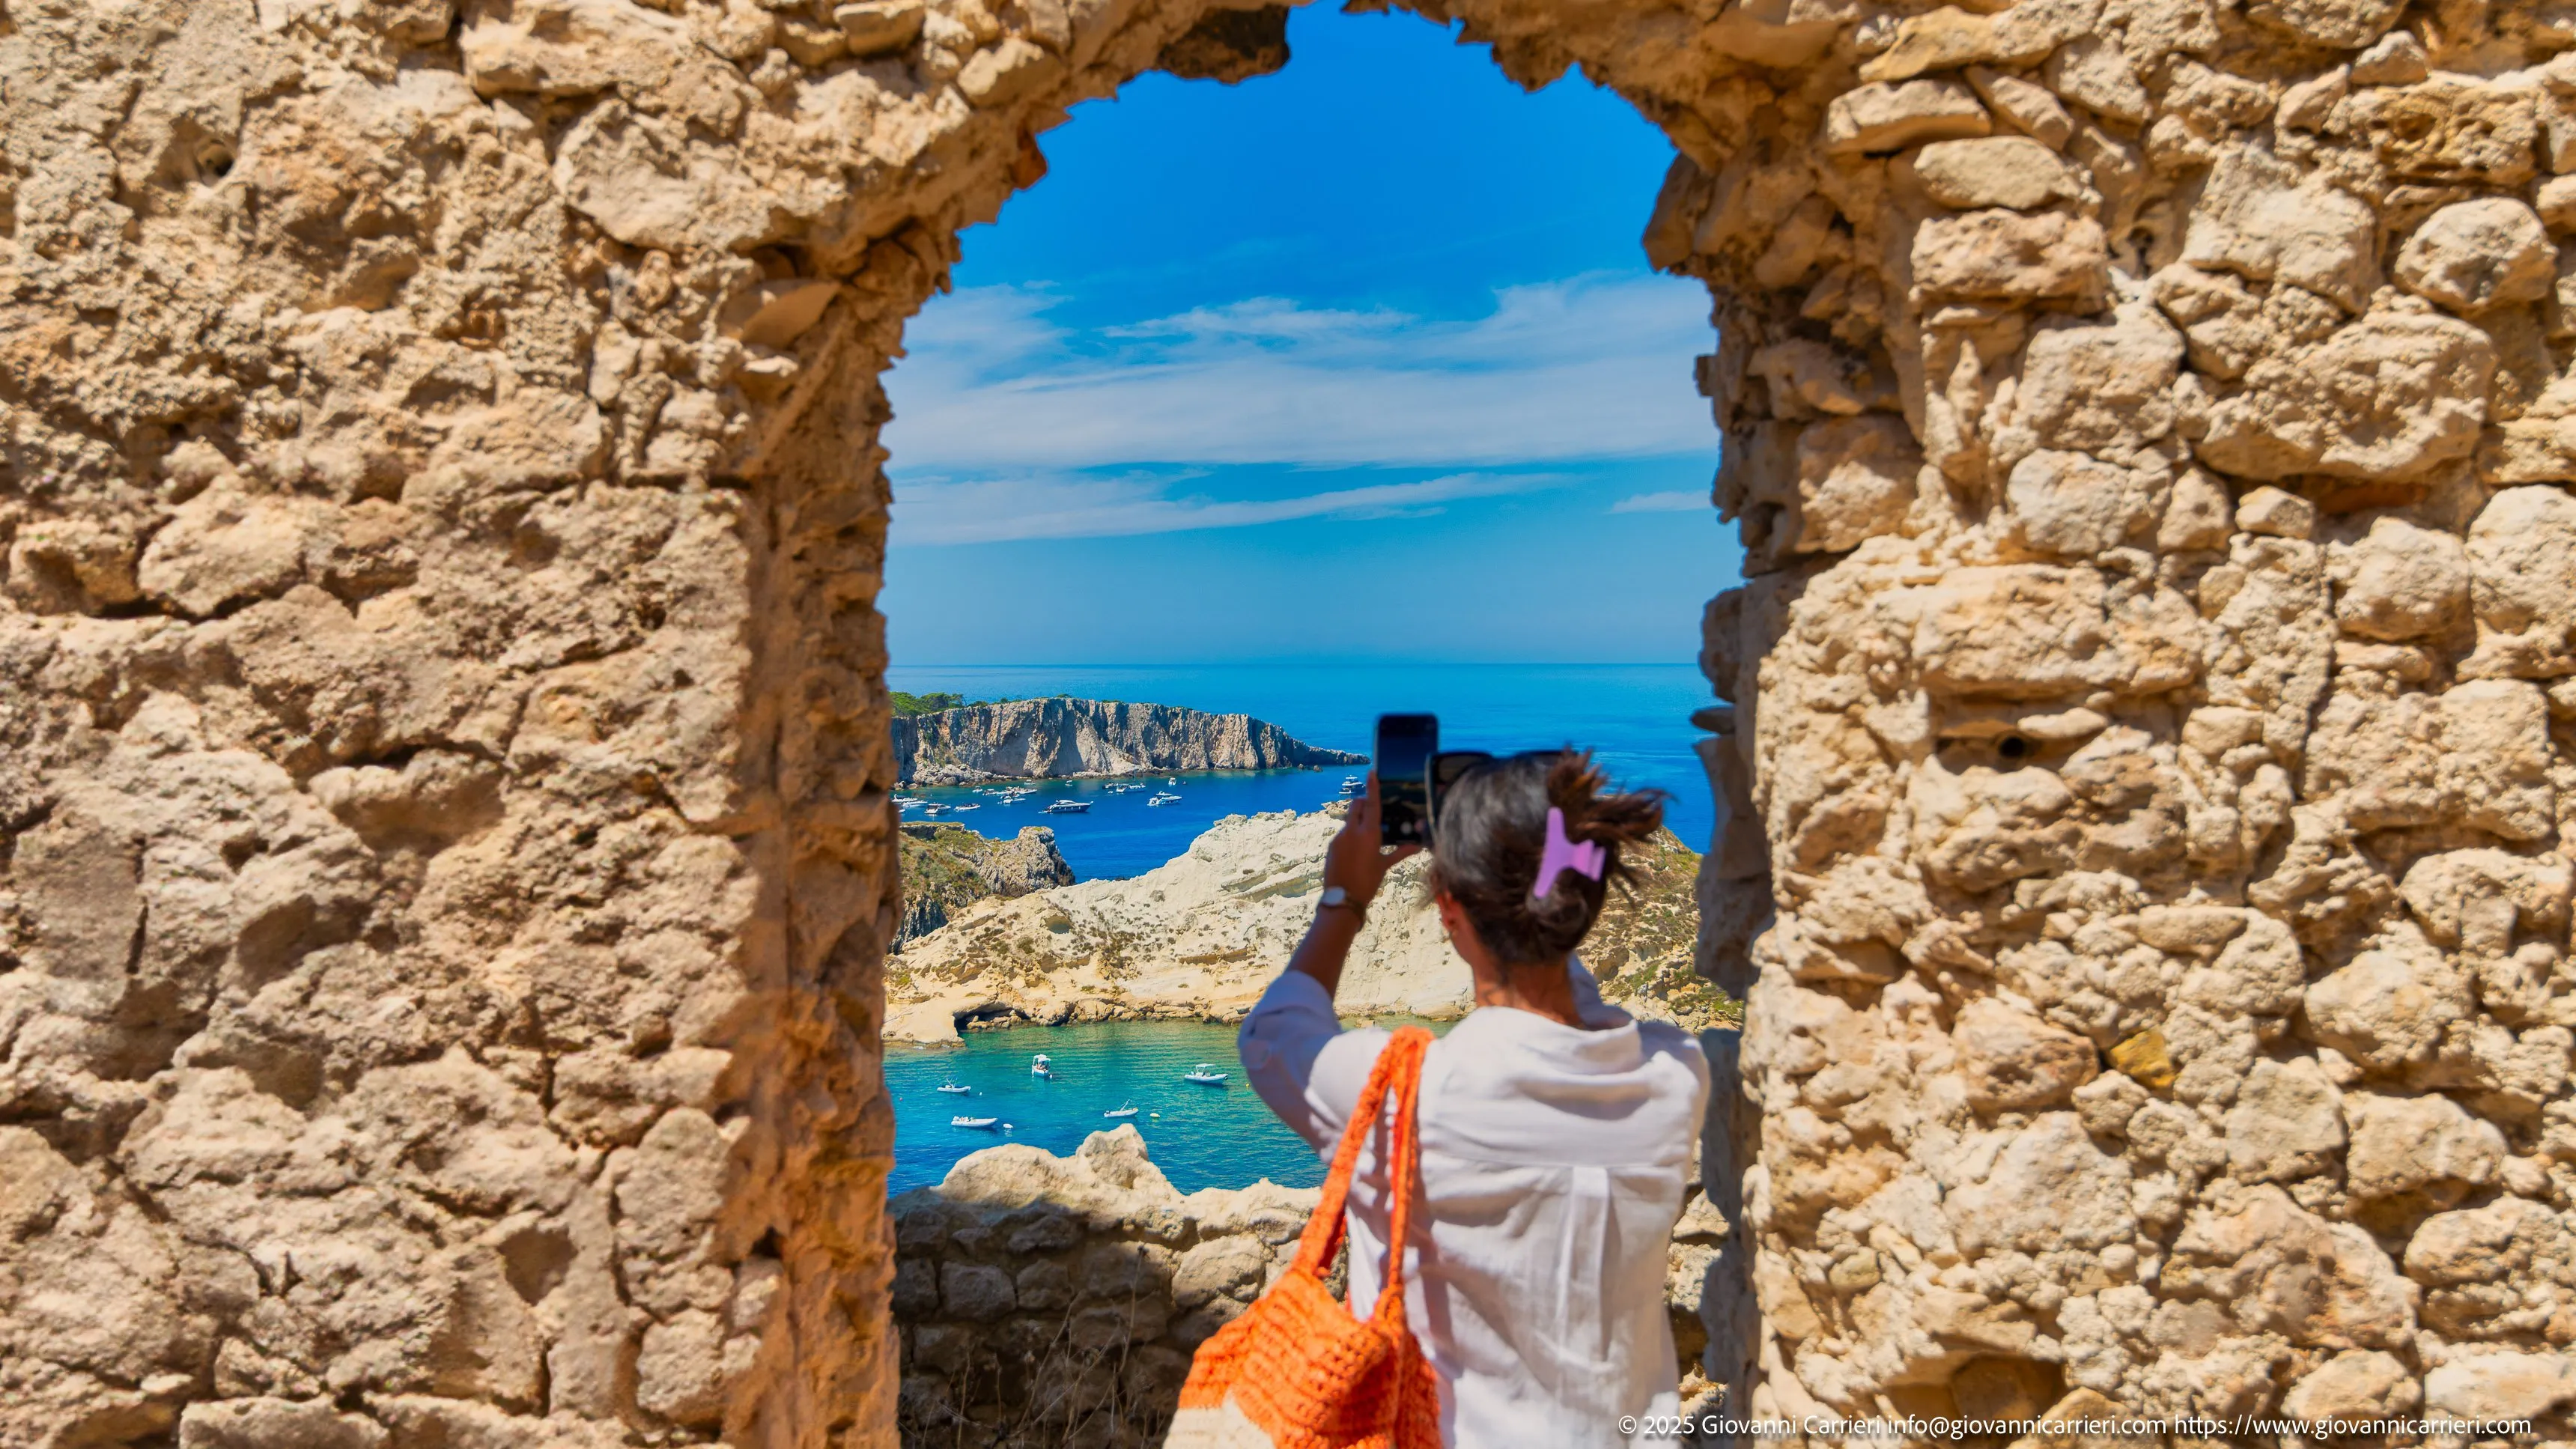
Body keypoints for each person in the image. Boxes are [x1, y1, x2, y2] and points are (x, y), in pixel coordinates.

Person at [1238, 752, 1711, 1447]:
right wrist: (1517, 872)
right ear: (1586, 899)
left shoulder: (1409, 1096)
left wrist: (1345, 896)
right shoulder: (1675, 1075)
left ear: (1449, 912)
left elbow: (1274, 1031)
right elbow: (1563, 987)